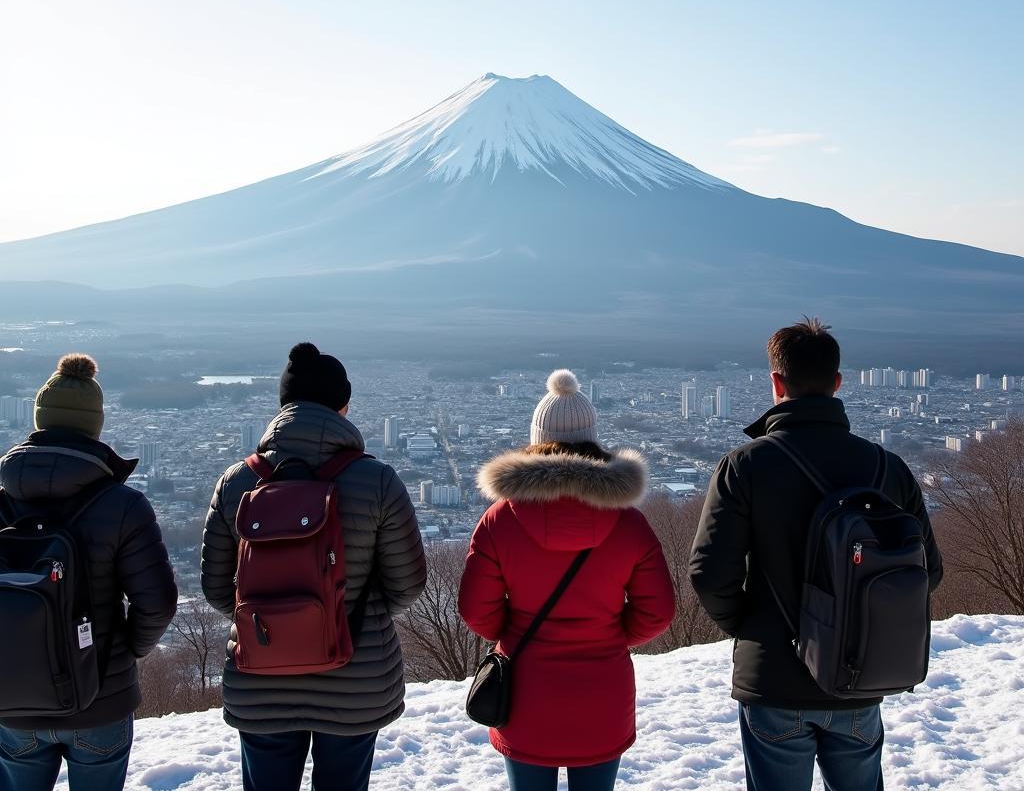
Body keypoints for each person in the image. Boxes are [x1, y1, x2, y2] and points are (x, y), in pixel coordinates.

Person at [689, 318, 943, 791]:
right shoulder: (887, 467)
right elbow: (929, 570)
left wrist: (754, 628)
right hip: (859, 675)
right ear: (838, 383)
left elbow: (710, 574)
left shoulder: (745, 466)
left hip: (774, 679)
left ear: (776, 382)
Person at [201, 342, 427, 791]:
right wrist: (349, 618)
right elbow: (408, 583)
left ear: (283, 406)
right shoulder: (376, 481)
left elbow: (217, 587)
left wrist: (272, 625)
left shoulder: (238, 481)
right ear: (343, 406)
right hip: (355, 679)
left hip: (261, 681)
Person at [459, 369, 675, 791]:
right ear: (593, 438)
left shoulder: (501, 519)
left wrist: (513, 633)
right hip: (602, 693)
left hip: (525, 693)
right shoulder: (629, 524)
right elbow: (658, 612)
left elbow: (475, 609)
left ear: (537, 440)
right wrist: (610, 635)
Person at [0, 353, 178, 791]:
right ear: (95, 425)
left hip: (10, 699)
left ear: (39, 419)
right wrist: (123, 651)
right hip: (101, 700)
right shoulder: (122, 506)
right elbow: (156, 602)